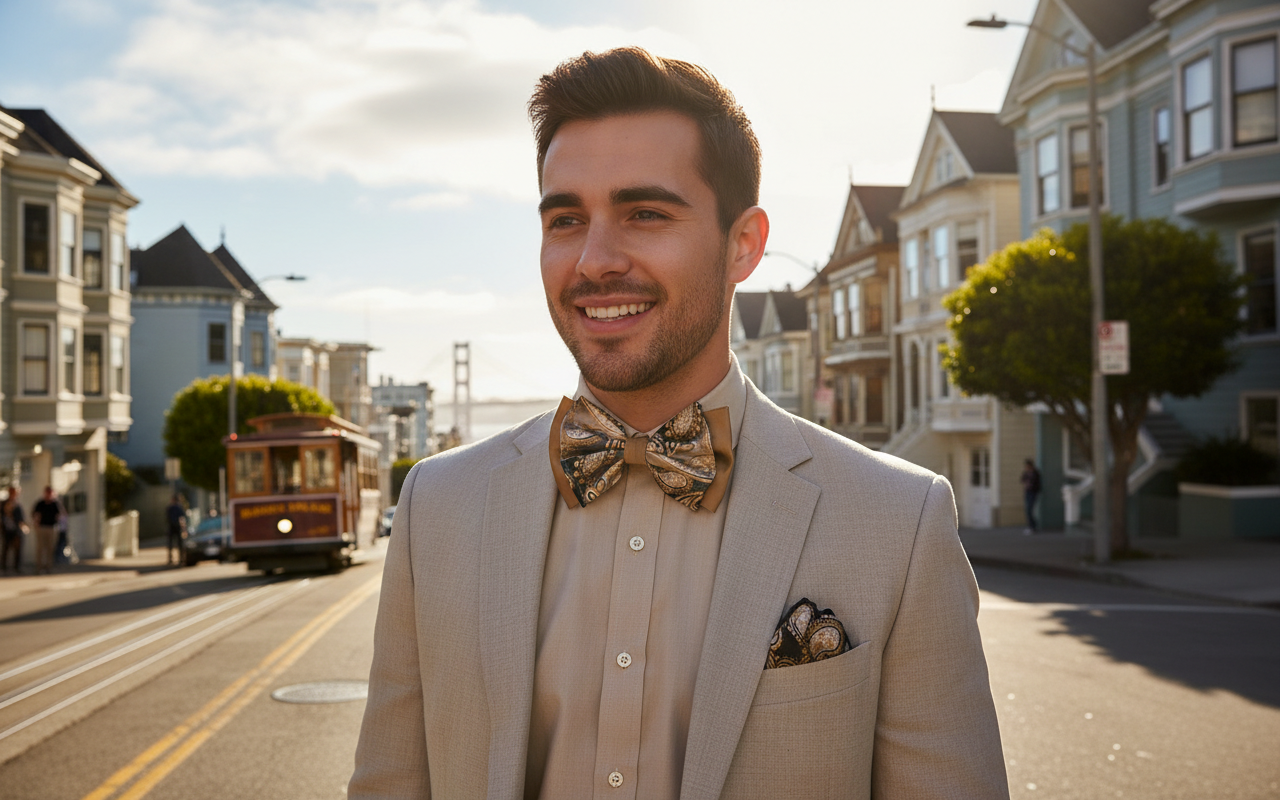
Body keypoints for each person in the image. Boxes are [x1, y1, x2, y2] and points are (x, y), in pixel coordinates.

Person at [351, 47, 1007, 800]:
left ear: (743, 244)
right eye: (566, 219)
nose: (594, 260)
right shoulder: (437, 507)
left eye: (646, 214)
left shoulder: (897, 521)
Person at [31, 486, 65, 575]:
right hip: (42, 527)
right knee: (40, 548)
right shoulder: (40, 503)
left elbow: (61, 514)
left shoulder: (55, 504)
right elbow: (35, 514)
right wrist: (36, 523)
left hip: (52, 528)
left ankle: (49, 567)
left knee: (50, 548)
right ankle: (39, 567)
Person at [1, 486, 27, 575]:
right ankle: (3, 568)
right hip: (7, 530)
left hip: (16, 530)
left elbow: (21, 518)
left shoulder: (17, 504)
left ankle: (17, 567)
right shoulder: (4, 503)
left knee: (17, 550)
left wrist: (23, 526)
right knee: (6, 549)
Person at [1021, 458, 1042, 534]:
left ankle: (1033, 526)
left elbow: (1037, 483)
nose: (1027, 467)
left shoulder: (1035, 473)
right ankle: (1031, 526)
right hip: (1027, 492)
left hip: (1033, 492)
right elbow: (1022, 479)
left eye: (1028, 466)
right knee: (1027, 509)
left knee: (1030, 509)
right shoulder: (1026, 473)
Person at [166, 495, 188, 566]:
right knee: (179, 544)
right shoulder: (179, 507)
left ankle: (172, 559)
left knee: (171, 544)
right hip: (177, 526)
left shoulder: (170, 508)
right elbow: (182, 518)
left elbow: (167, 518)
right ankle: (180, 559)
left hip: (173, 526)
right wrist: (184, 528)